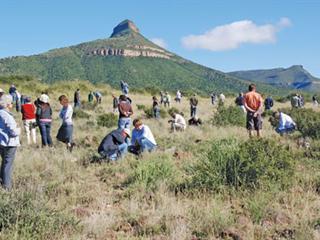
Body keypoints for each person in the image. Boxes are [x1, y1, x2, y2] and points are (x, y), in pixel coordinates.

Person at [0, 94, 20, 190]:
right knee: (7, 165)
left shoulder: (1, 113)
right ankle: (7, 187)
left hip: (2, 142)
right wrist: (18, 129)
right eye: (11, 103)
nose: (12, 105)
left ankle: (2, 182)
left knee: (4, 163)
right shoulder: (6, 115)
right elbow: (13, 132)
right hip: (9, 143)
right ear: (8, 104)